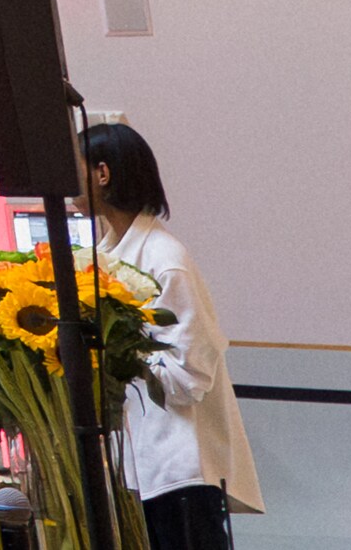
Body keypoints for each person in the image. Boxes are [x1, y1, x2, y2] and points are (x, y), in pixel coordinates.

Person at [84, 123, 259, 550]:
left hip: (178, 472)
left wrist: (119, 356)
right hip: (140, 468)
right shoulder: (106, 256)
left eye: (77, 166)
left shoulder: (165, 259)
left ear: (103, 173)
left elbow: (191, 376)